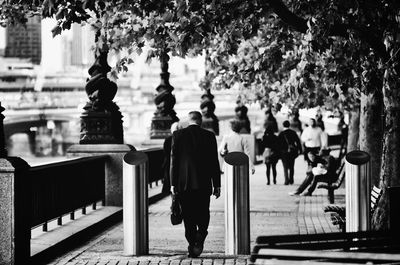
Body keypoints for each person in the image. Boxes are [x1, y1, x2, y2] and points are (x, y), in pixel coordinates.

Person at [170, 111, 221, 258]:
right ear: (201, 121)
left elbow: (175, 162)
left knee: (188, 215)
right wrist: (217, 184)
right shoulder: (209, 136)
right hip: (204, 183)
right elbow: (213, 162)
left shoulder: (178, 135)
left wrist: (173, 184)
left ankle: (192, 244)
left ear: (188, 120)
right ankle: (201, 235)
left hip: (184, 184)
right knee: (204, 212)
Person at [278, 120, 302, 185]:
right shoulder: (293, 132)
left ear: (283, 125)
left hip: (284, 152)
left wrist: (278, 153)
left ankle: (286, 180)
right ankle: (291, 180)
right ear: (289, 125)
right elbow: (298, 142)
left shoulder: (281, 134)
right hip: (292, 152)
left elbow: (278, 144)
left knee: (285, 167)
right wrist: (300, 150)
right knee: (291, 166)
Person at [161, 122, 180, 194]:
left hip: (168, 161)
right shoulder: (181, 138)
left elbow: (165, 151)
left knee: (169, 178)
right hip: (178, 162)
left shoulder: (168, 139)